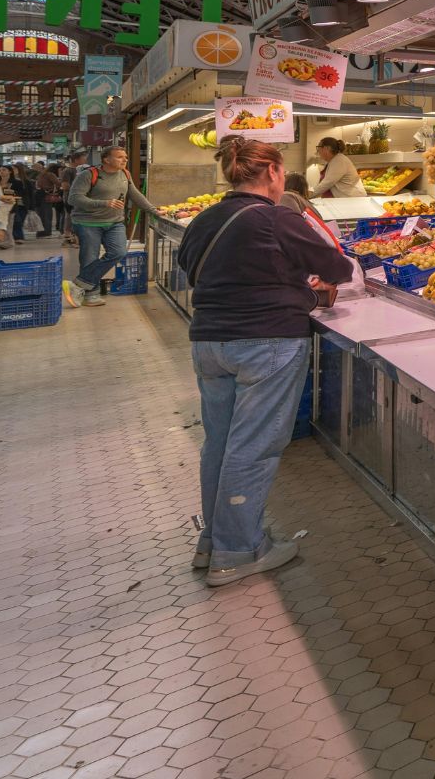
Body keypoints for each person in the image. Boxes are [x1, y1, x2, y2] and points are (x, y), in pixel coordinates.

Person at [180, 137, 354, 585]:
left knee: (219, 443)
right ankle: (238, 552)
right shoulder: (277, 219)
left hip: (209, 343)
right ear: (274, 173)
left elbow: (195, 267)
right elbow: (337, 268)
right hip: (266, 343)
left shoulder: (205, 218)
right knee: (253, 448)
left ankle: (214, 542)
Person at [63, 147, 155, 308]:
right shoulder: (88, 175)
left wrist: (154, 211)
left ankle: (78, 285)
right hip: (87, 223)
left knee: (118, 252)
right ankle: (91, 295)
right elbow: (74, 198)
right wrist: (104, 203)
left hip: (114, 222)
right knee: (89, 258)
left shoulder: (125, 174)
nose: (125, 160)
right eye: (120, 157)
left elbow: (134, 194)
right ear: (106, 159)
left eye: (125, 157)